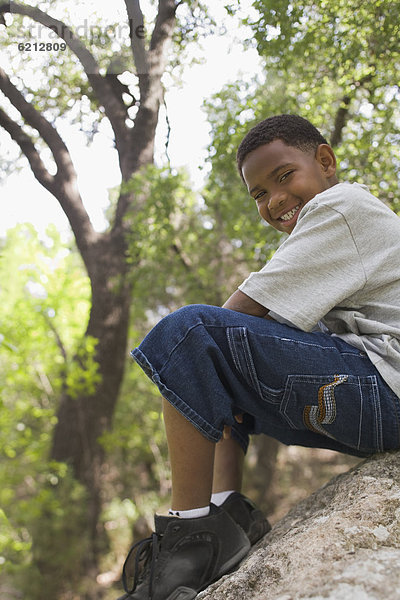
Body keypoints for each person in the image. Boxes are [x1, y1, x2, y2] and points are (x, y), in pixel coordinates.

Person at [117, 114, 400, 600]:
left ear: (325, 161)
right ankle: (228, 514)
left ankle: (190, 533)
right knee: (216, 363)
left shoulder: (340, 207)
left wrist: (193, 370)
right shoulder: (328, 233)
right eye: (259, 194)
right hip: (379, 394)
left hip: (387, 387)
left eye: (284, 176)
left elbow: (230, 317)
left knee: (187, 334)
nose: (274, 200)